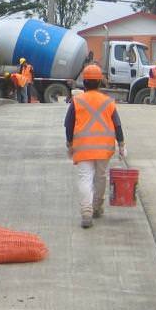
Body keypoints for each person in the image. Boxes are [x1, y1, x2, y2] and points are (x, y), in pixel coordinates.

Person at [65, 64, 126, 228]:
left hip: (83, 148)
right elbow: (117, 125)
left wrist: (70, 143)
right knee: (100, 178)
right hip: (104, 149)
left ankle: (86, 212)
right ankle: (97, 207)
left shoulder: (77, 101)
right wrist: (121, 145)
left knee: (85, 178)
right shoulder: (108, 102)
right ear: (100, 82)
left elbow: (68, 124)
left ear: (84, 83)